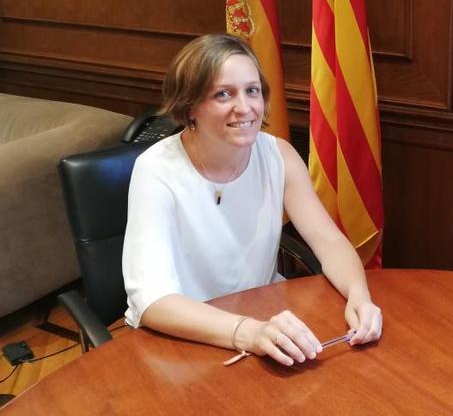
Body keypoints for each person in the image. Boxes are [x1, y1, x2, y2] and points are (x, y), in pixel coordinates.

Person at [123, 33, 382, 367]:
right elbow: (153, 299)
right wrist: (249, 332)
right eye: (223, 94)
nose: (245, 108)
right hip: (183, 335)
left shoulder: (279, 156)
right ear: (189, 106)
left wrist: (359, 296)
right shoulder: (156, 170)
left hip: (261, 318)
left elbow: (329, 242)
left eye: (252, 90)